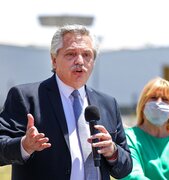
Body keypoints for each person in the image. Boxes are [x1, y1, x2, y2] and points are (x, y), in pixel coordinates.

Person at [0, 24, 132, 180]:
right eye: (71, 54)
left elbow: (125, 168)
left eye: (87, 54)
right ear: (54, 60)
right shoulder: (26, 97)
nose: (80, 61)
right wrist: (24, 145)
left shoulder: (108, 104)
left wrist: (113, 151)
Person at [121, 77, 169, 180]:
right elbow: (133, 176)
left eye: (165, 100)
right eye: (153, 98)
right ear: (143, 105)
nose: (159, 103)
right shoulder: (129, 138)